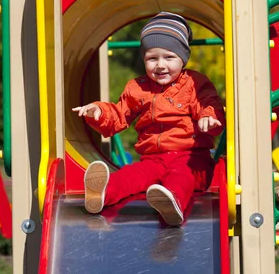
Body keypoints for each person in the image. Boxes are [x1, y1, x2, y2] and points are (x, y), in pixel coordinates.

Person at [72, 12, 225, 226]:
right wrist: (98, 111)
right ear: (144, 60)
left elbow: (208, 103)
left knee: (182, 176)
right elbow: (118, 115)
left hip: (191, 158)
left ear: (183, 58)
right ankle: (101, 194)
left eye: (169, 57)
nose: (160, 65)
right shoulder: (137, 88)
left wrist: (209, 117)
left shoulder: (194, 83)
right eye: (152, 58)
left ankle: (172, 202)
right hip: (153, 159)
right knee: (130, 176)